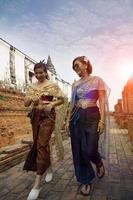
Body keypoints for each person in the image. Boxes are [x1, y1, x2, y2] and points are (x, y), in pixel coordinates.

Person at [23, 61, 65, 200]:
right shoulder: (31, 86)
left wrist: (52, 103)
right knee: (40, 144)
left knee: (42, 144)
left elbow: (63, 99)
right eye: (36, 73)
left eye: (41, 72)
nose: (39, 75)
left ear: (46, 72)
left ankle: (37, 183)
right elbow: (25, 103)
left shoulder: (52, 86)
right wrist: (32, 98)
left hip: (48, 117)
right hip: (35, 116)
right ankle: (50, 168)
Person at [69, 56, 109, 196]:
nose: (76, 68)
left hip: (93, 116)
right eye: (74, 67)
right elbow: (72, 104)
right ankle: (85, 180)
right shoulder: (75, 85)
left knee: (90, 149)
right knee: (79, 150)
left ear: (86, 65)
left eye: (77, 65)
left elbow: (102, 102)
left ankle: (98, 162)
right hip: (76, 119)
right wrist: (67, 121)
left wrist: (102, 120)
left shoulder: (97, 80)